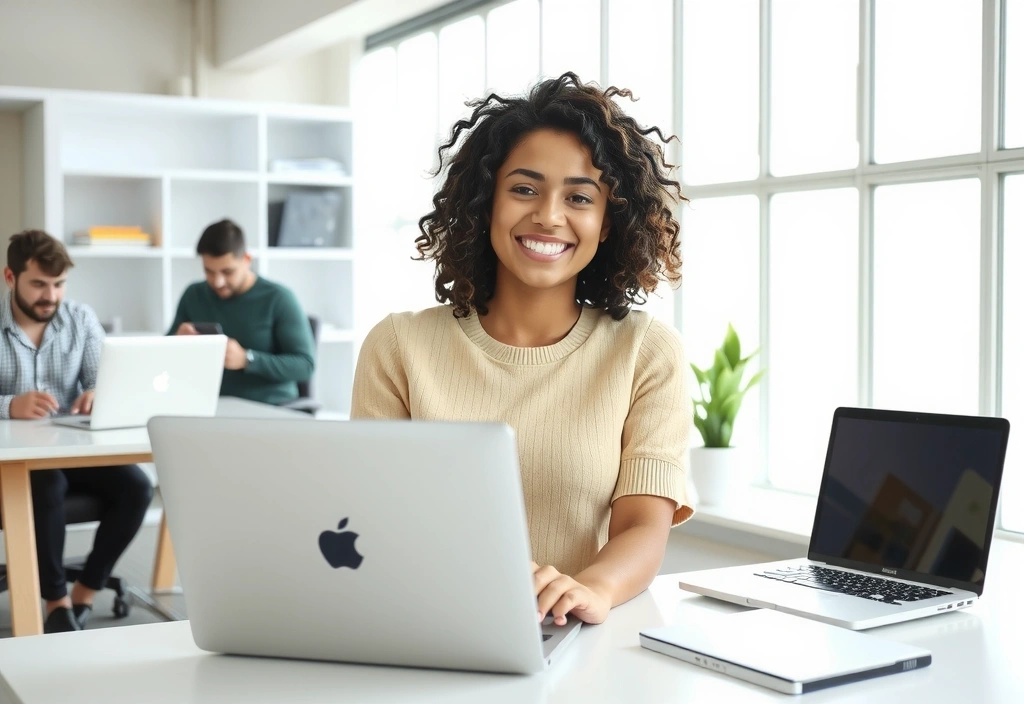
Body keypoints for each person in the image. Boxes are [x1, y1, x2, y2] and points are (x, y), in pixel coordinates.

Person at [352, 73, 693, 627]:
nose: (549, 216)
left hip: (570, 637)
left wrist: (589, 591)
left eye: (579, 197)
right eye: (525, 189)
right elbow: (368, 513)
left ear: (607, 224)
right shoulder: (398, 346)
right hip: (422, 623)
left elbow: (641, 525)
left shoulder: (646, 352)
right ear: (488, 202)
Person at [0, 230, 154, 633]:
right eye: (38, 284)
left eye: (58, 284)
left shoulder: (80, 319)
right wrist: (9, 405)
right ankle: (56, 602)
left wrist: (97, 392)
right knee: (46, 482)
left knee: (137, 487)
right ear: (10, 278)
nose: (50, 295)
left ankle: (84, 592)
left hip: (68, 450)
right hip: (12, 463)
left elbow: (105, 378)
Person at [169, 219, 315, 406]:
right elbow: (163, 352)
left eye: (227, 272)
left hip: (268, 409)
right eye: (209, 271)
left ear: (246, 260)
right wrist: (176, 340)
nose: (218, 282)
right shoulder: (193, 294)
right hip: (207, 405)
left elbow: (305, 365)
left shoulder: (278, 298)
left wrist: (247, 359)